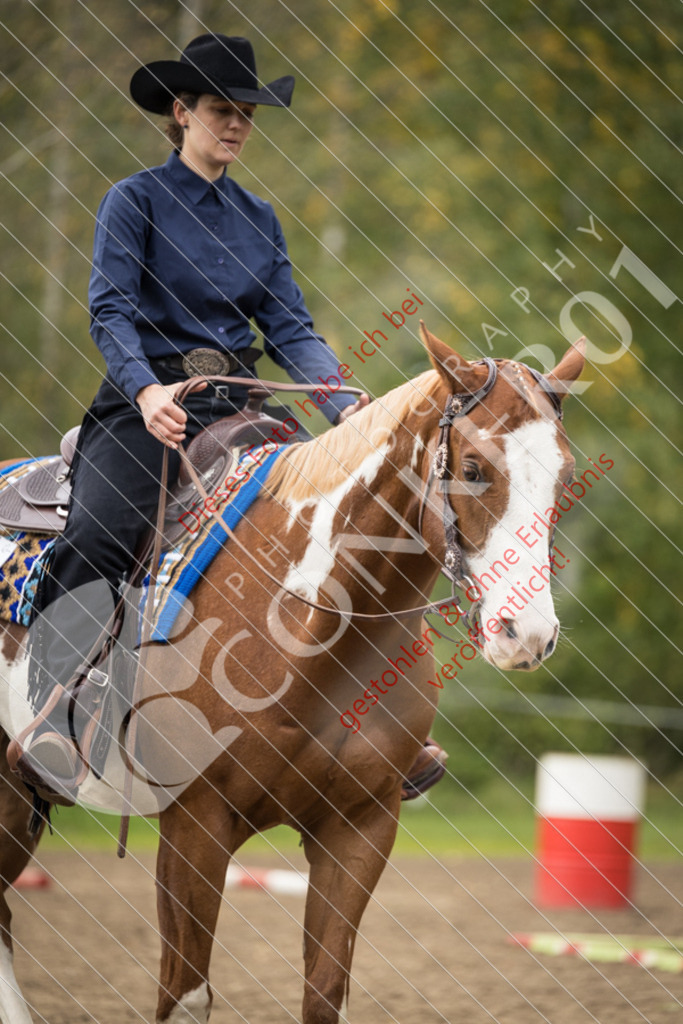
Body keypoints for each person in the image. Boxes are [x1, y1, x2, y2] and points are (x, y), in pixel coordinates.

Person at [8, 33, 445, 804]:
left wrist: (347, 406)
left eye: (245, 114)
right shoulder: (133, 199)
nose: (235, 125)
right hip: (145, 409)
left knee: (352, 523)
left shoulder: (260, 219)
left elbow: (290, 328)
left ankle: (388, 725)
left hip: (241, 408)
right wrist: (146, 392)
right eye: (220, 111)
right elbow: (109, 310)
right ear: (181, 113)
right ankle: (57, 714)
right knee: (102, 531)